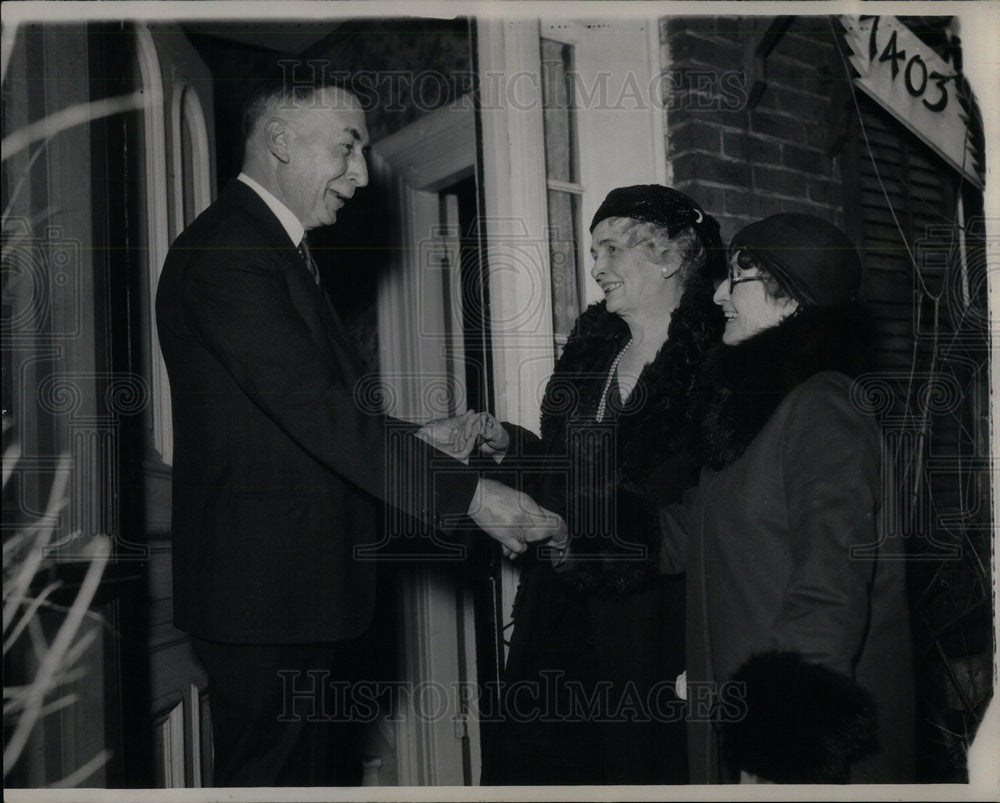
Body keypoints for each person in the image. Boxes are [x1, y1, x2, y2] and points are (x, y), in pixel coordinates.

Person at [155, 80, 563, 787]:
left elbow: (292, 422)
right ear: (280, 139)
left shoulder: (270, 250)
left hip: (291, 594)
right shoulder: (230, 251)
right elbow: (317, 411)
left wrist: (424, 438)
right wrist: (474, 498)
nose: (360, 172)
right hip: (267, 600)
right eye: (347, 147)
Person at [424, 186, 724, 784]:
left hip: (650, 622)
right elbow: (562, 472)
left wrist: (594, 540)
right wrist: (505, 445)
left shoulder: (717, 365)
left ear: (667, 257)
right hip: (557, 612)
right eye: (594, 251)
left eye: (611, 249)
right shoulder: (593, 354)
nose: (597, 267)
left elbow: (710, 514)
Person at [658, 213, 915, 783]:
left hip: (790, 748)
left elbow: (831, 583)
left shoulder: (824, 407)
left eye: (738, 278)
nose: (720, 293)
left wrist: (781, 748)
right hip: (743, 728)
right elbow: (689, 530)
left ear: (791, 300)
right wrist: (565, 527)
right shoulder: (761, 415)